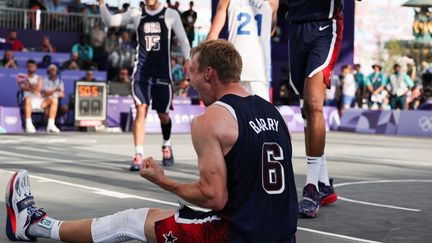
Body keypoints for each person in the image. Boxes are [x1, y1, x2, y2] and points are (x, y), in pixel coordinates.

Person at [5, 39, 298, 243]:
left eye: (191, 72)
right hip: (281, 235)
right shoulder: (272, 111)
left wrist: (162, 180)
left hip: (235, 236)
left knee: (130, 221)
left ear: (209, 73)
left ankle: (35, 225)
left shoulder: (211, 120)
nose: (188, 80)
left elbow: (214, 197)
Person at [98, 0, 191, 170]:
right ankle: (138, 153)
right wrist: (102, 4)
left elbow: (184, 41)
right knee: (141, 110)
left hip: (162, 73)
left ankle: (166, 144)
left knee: (164, 115)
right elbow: (110, 21)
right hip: (142, 72)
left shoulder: (170, 14)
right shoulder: (136, 14)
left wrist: (187, 59)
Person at [286, 0, 346, 218]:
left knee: (313, 104)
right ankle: (324, 183)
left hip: (324, 26)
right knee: (305, 110)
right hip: (295, 26)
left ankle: (312, 187)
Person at [207, 0, 279, 101]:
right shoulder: (273, 1)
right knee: (260, 114)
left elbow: (212, 36)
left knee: (234, 113)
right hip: (259, 70)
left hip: (235, 68)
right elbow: (270, 32)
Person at [41, 64, 64, 133]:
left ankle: (51, 125)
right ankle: (50, 125)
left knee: (57, 102)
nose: (53, 71)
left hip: (56, 101)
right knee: (53, 101)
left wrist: (58, 94)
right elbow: (45, 93)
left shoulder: (60, 82)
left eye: (54, 70)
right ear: (48, 71)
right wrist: (55, 90)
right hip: (44, 100)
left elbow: (62, 95)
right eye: (51, 70)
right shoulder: (45, 80)